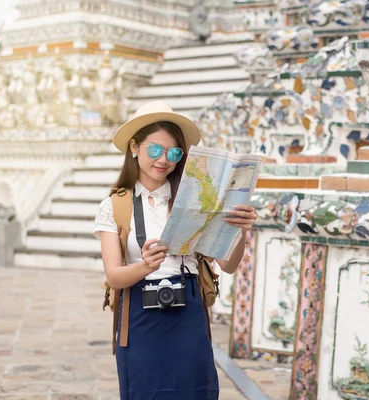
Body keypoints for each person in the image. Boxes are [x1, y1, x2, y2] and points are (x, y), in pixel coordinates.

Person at [93, 100, 257, 400]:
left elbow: (229, 264)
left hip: (189, 315)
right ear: (134, 147)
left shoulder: (197, 201)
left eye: (174, 152)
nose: (164, 160)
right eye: (155, 149)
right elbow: (114, 277)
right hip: (140, 320)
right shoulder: (114, 206)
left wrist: (239, 229)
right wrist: (145, 266)